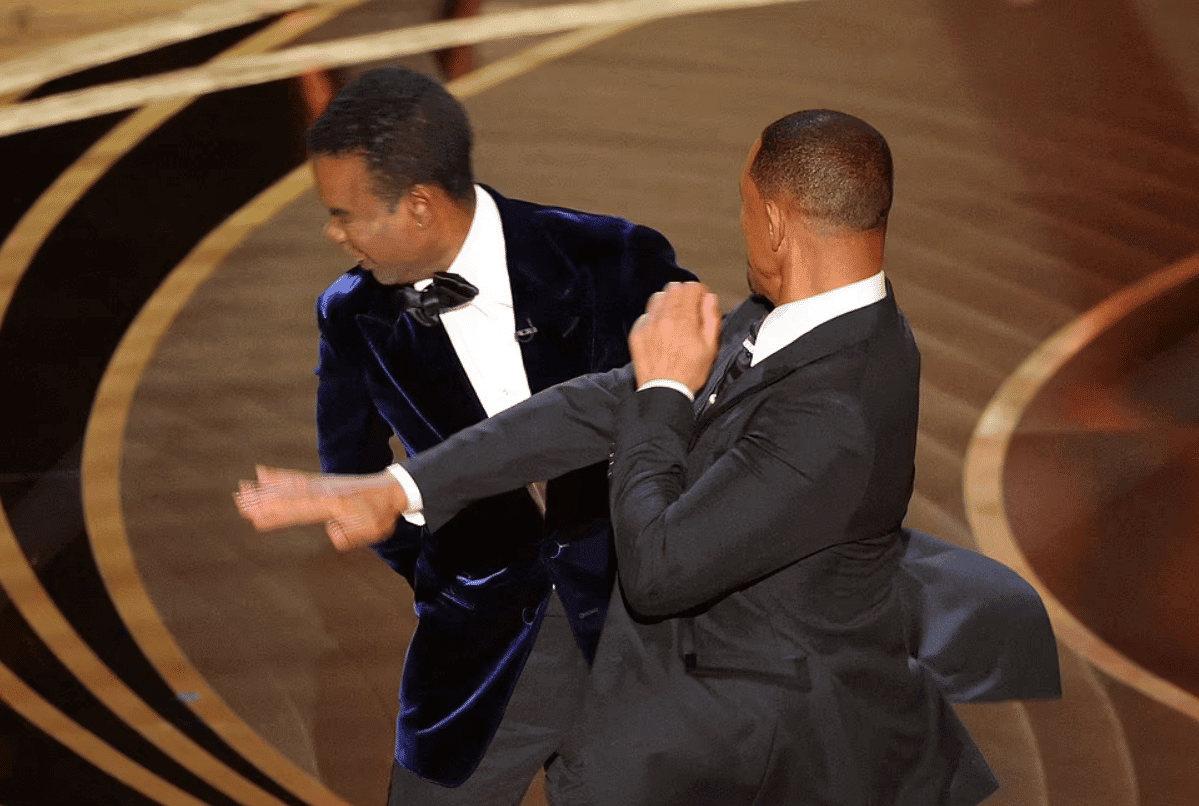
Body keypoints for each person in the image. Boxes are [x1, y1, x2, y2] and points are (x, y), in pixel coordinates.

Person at [238, 109, 1059, 803]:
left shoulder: (839, 408)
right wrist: (401, 486)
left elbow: (661, 568)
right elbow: (597, 403)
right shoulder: (785, 318)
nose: (742, 224)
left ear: (776, 220)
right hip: (686, 711)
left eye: (745, 206)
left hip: (761, 752)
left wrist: (664, 392)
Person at [303, 66, 695, 804]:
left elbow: (704, 413)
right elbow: (351, 468)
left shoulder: (612, 257)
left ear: (419, 205)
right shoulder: (351, 314)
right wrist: (447, 571)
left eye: (344, 214)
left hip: (642, 643)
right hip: (476, 659)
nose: (333, 233)